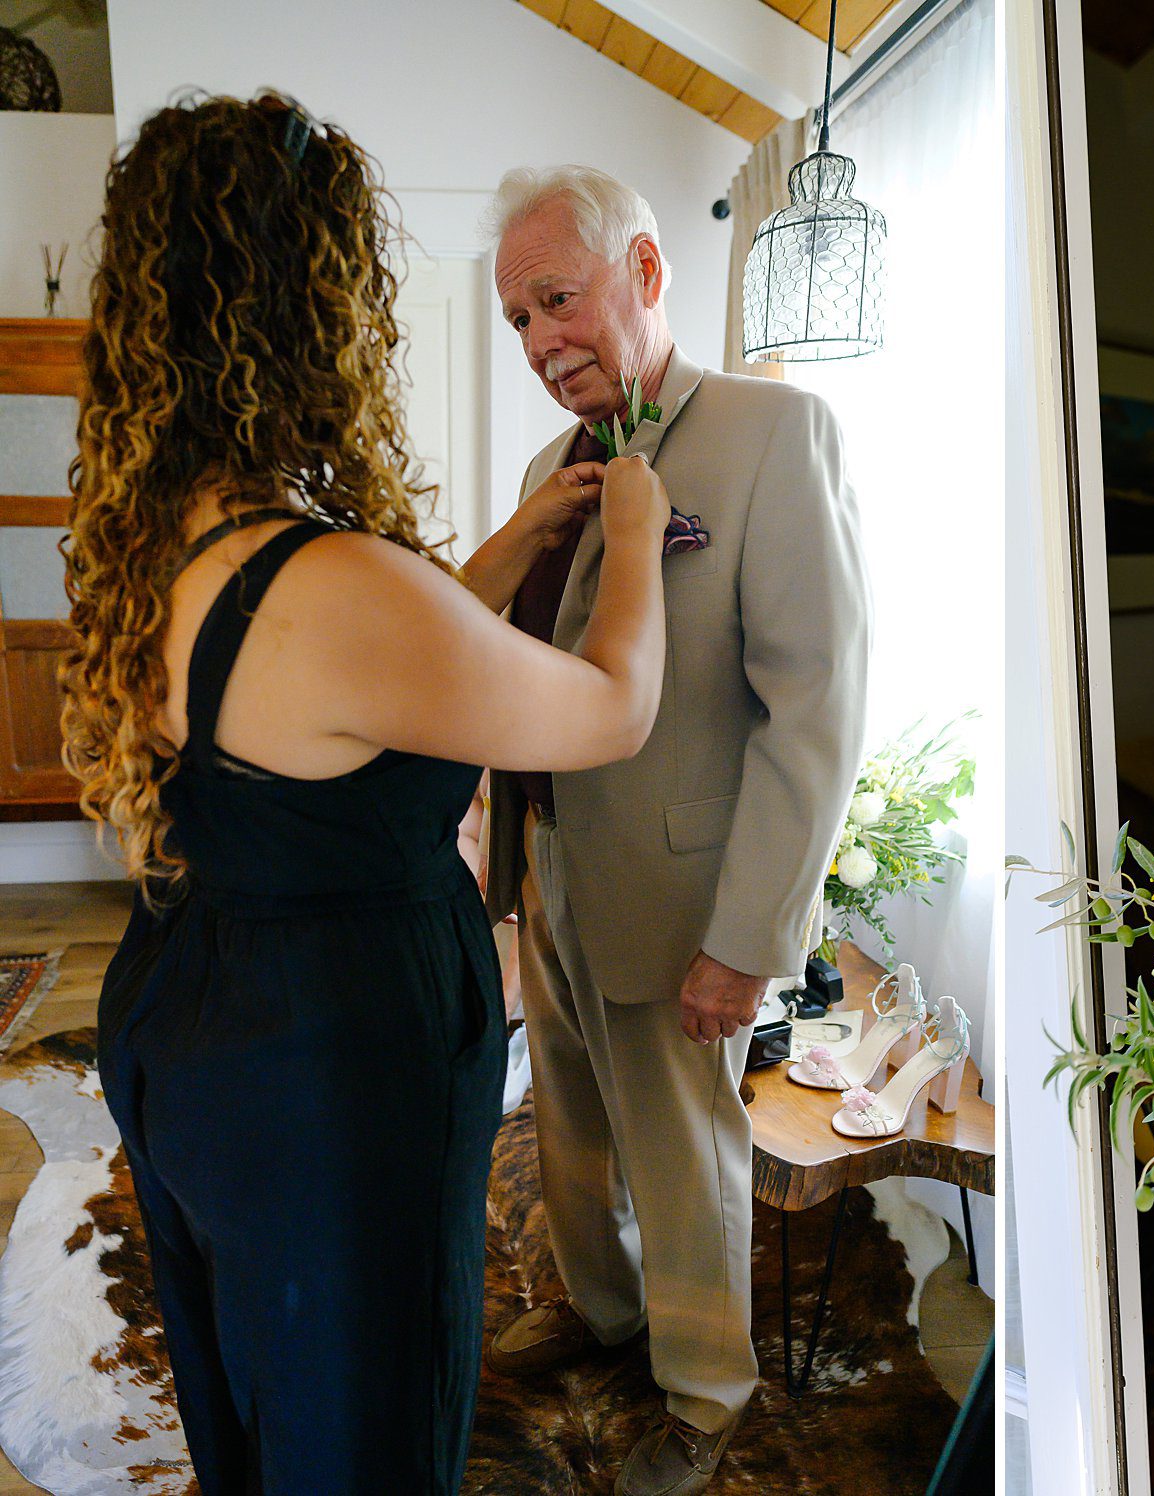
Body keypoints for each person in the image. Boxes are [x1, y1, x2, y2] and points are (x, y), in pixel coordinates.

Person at [68, 93, 675, 1494]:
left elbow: (332, 702)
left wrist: (510, 542)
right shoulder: (335, 583)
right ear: (313, 302)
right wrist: (632, 533)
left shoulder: (173, 537)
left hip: (187, 1010)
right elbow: (609, 707)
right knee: (366, 1415)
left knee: (251, 1380)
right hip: (325, 1069)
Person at [478, 165, 869, 1496]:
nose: (537, 342)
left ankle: (706, 1390)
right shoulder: (547, 467)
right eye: (517, 318)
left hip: (692, 890)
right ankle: (600, 1313)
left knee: (686, 1152)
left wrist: (750, 936)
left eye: (556, 300)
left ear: (645, 274)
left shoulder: (776, 433)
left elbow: (815, 708)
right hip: (552, 874)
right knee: (572, 1130)